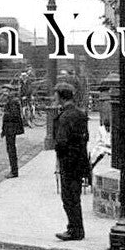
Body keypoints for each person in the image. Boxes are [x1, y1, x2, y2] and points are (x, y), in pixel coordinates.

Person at [52, 83, 90, 241]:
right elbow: (85, 136)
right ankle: (78, 228)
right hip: (80, 159)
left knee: (68, 198)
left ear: (61, 97)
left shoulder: (65, 117)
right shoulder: (80, 114)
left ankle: (74, 229)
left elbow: (61, 142)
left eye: (56, 96)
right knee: (76, 196)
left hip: (68, 161)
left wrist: (59, 154)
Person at [0, 88, 25, 178]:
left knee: (11, 149)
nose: (4, 93)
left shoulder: (12, 102)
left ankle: (14, 171)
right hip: (9, 128)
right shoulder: (11, 101)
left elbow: (13, 115)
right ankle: (13, 170)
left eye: (6, 91)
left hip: (11, 129)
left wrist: (6, 115)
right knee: (10, 149)